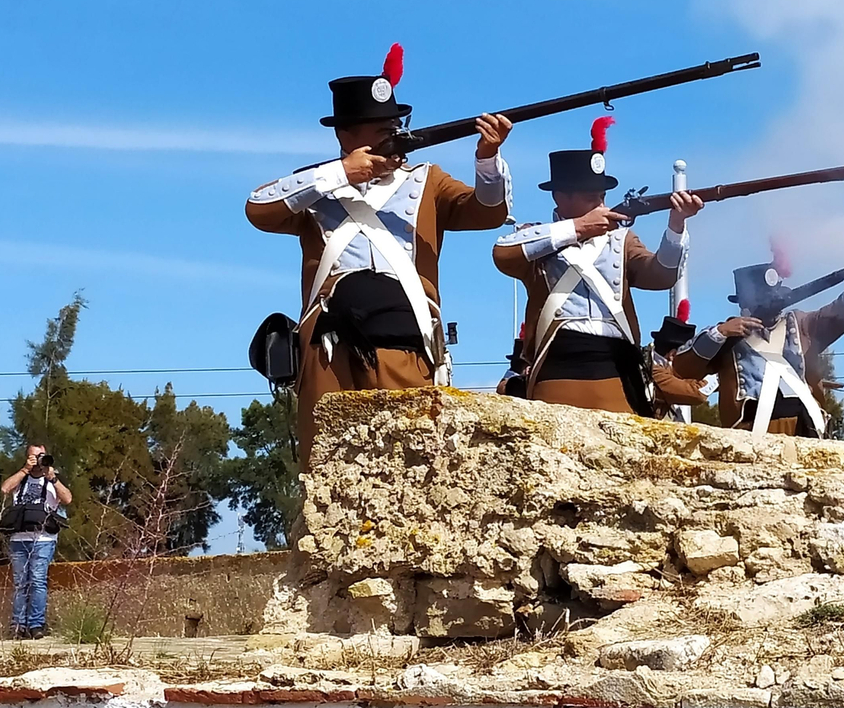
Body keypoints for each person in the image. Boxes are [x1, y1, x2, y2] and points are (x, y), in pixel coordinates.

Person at [246, 43, 512, 464]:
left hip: (407, 337)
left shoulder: (428, 180)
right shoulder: (315, 184)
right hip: (328, 346)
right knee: (327, 465)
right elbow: (258, 209)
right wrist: (339, 174)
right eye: (378, 127)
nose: (392, 134)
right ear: (346, 135)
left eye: (394, 124)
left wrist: (487, 157)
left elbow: (488, 212)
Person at [492, 118, 701, 414]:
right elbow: (502, 253)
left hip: (618, 370)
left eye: (602, 196)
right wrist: (577, 228)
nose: (601, 204)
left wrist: (676, 227)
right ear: (560, 196)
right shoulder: (539, 238)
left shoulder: (622, 241)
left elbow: (661, 275)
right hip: (558, 368)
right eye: (591, 197)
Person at [674, 257, 844, 436]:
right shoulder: (728, 334)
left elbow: (836, 315)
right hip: (750, 431)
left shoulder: (800, 324)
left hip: (804, 428)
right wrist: (720, 333)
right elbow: (683, 368)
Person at [0, 444, 72, 639]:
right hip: (19, 539)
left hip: (43, 538)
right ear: (28, 457)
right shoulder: (21, 479)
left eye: (42, 456)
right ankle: (17, 625)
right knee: (20, 583)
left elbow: (67, 499)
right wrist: (25, 469)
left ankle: (36, 625)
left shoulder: (52, 480)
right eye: (34, 456)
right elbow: (5, 488)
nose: (38, 460)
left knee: (38, 581)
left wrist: (53, 478)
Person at [646, 300, 713, 422]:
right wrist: (718, 374)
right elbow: (696, 394)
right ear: (673, 354)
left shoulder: (656, 366)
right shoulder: (654, 371)